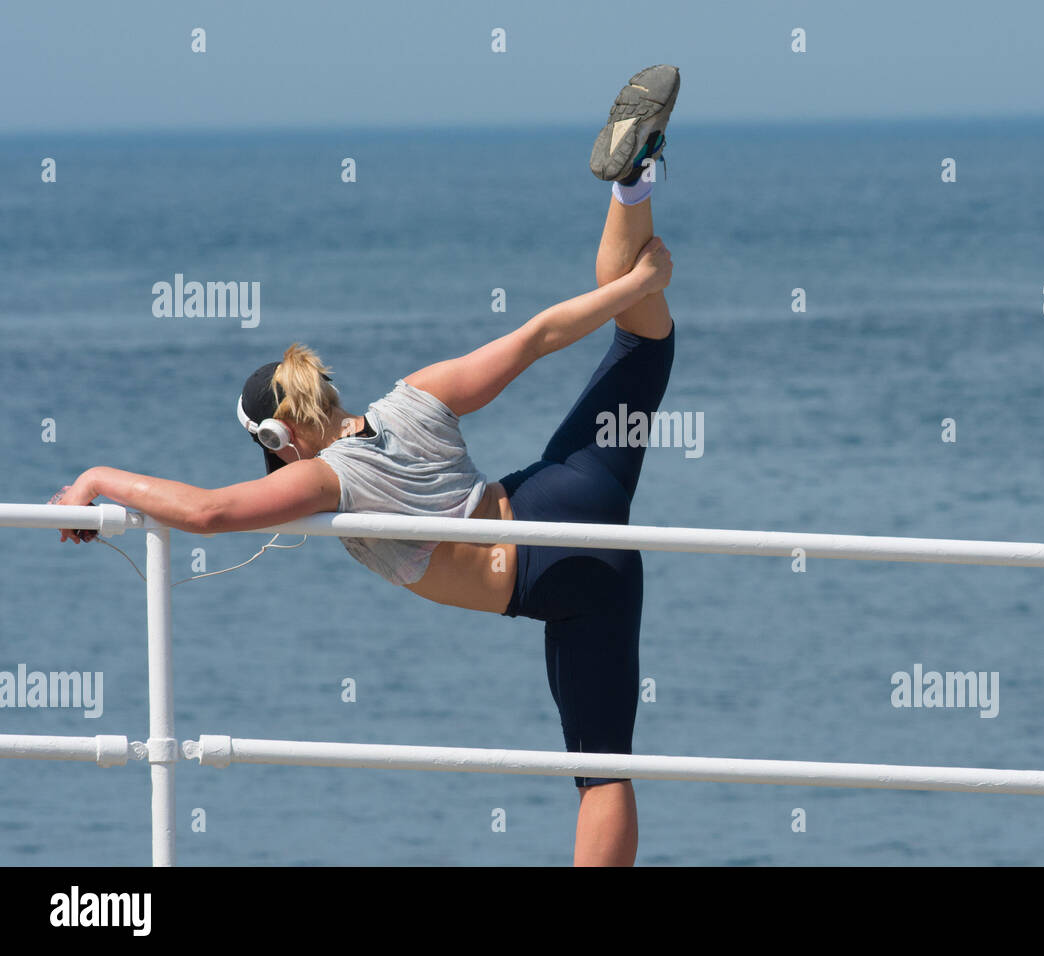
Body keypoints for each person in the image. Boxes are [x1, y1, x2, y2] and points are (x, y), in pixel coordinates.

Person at [54, 65, 682, 867]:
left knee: (602, 771)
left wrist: (98, 478)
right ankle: (633, 184)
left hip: (555, 577)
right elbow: (534, 337)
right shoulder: (411, 398)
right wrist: (639, 281)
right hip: (571, 493)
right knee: (640, 338)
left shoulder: (326, 480)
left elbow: (208, 513)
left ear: (281, 439)